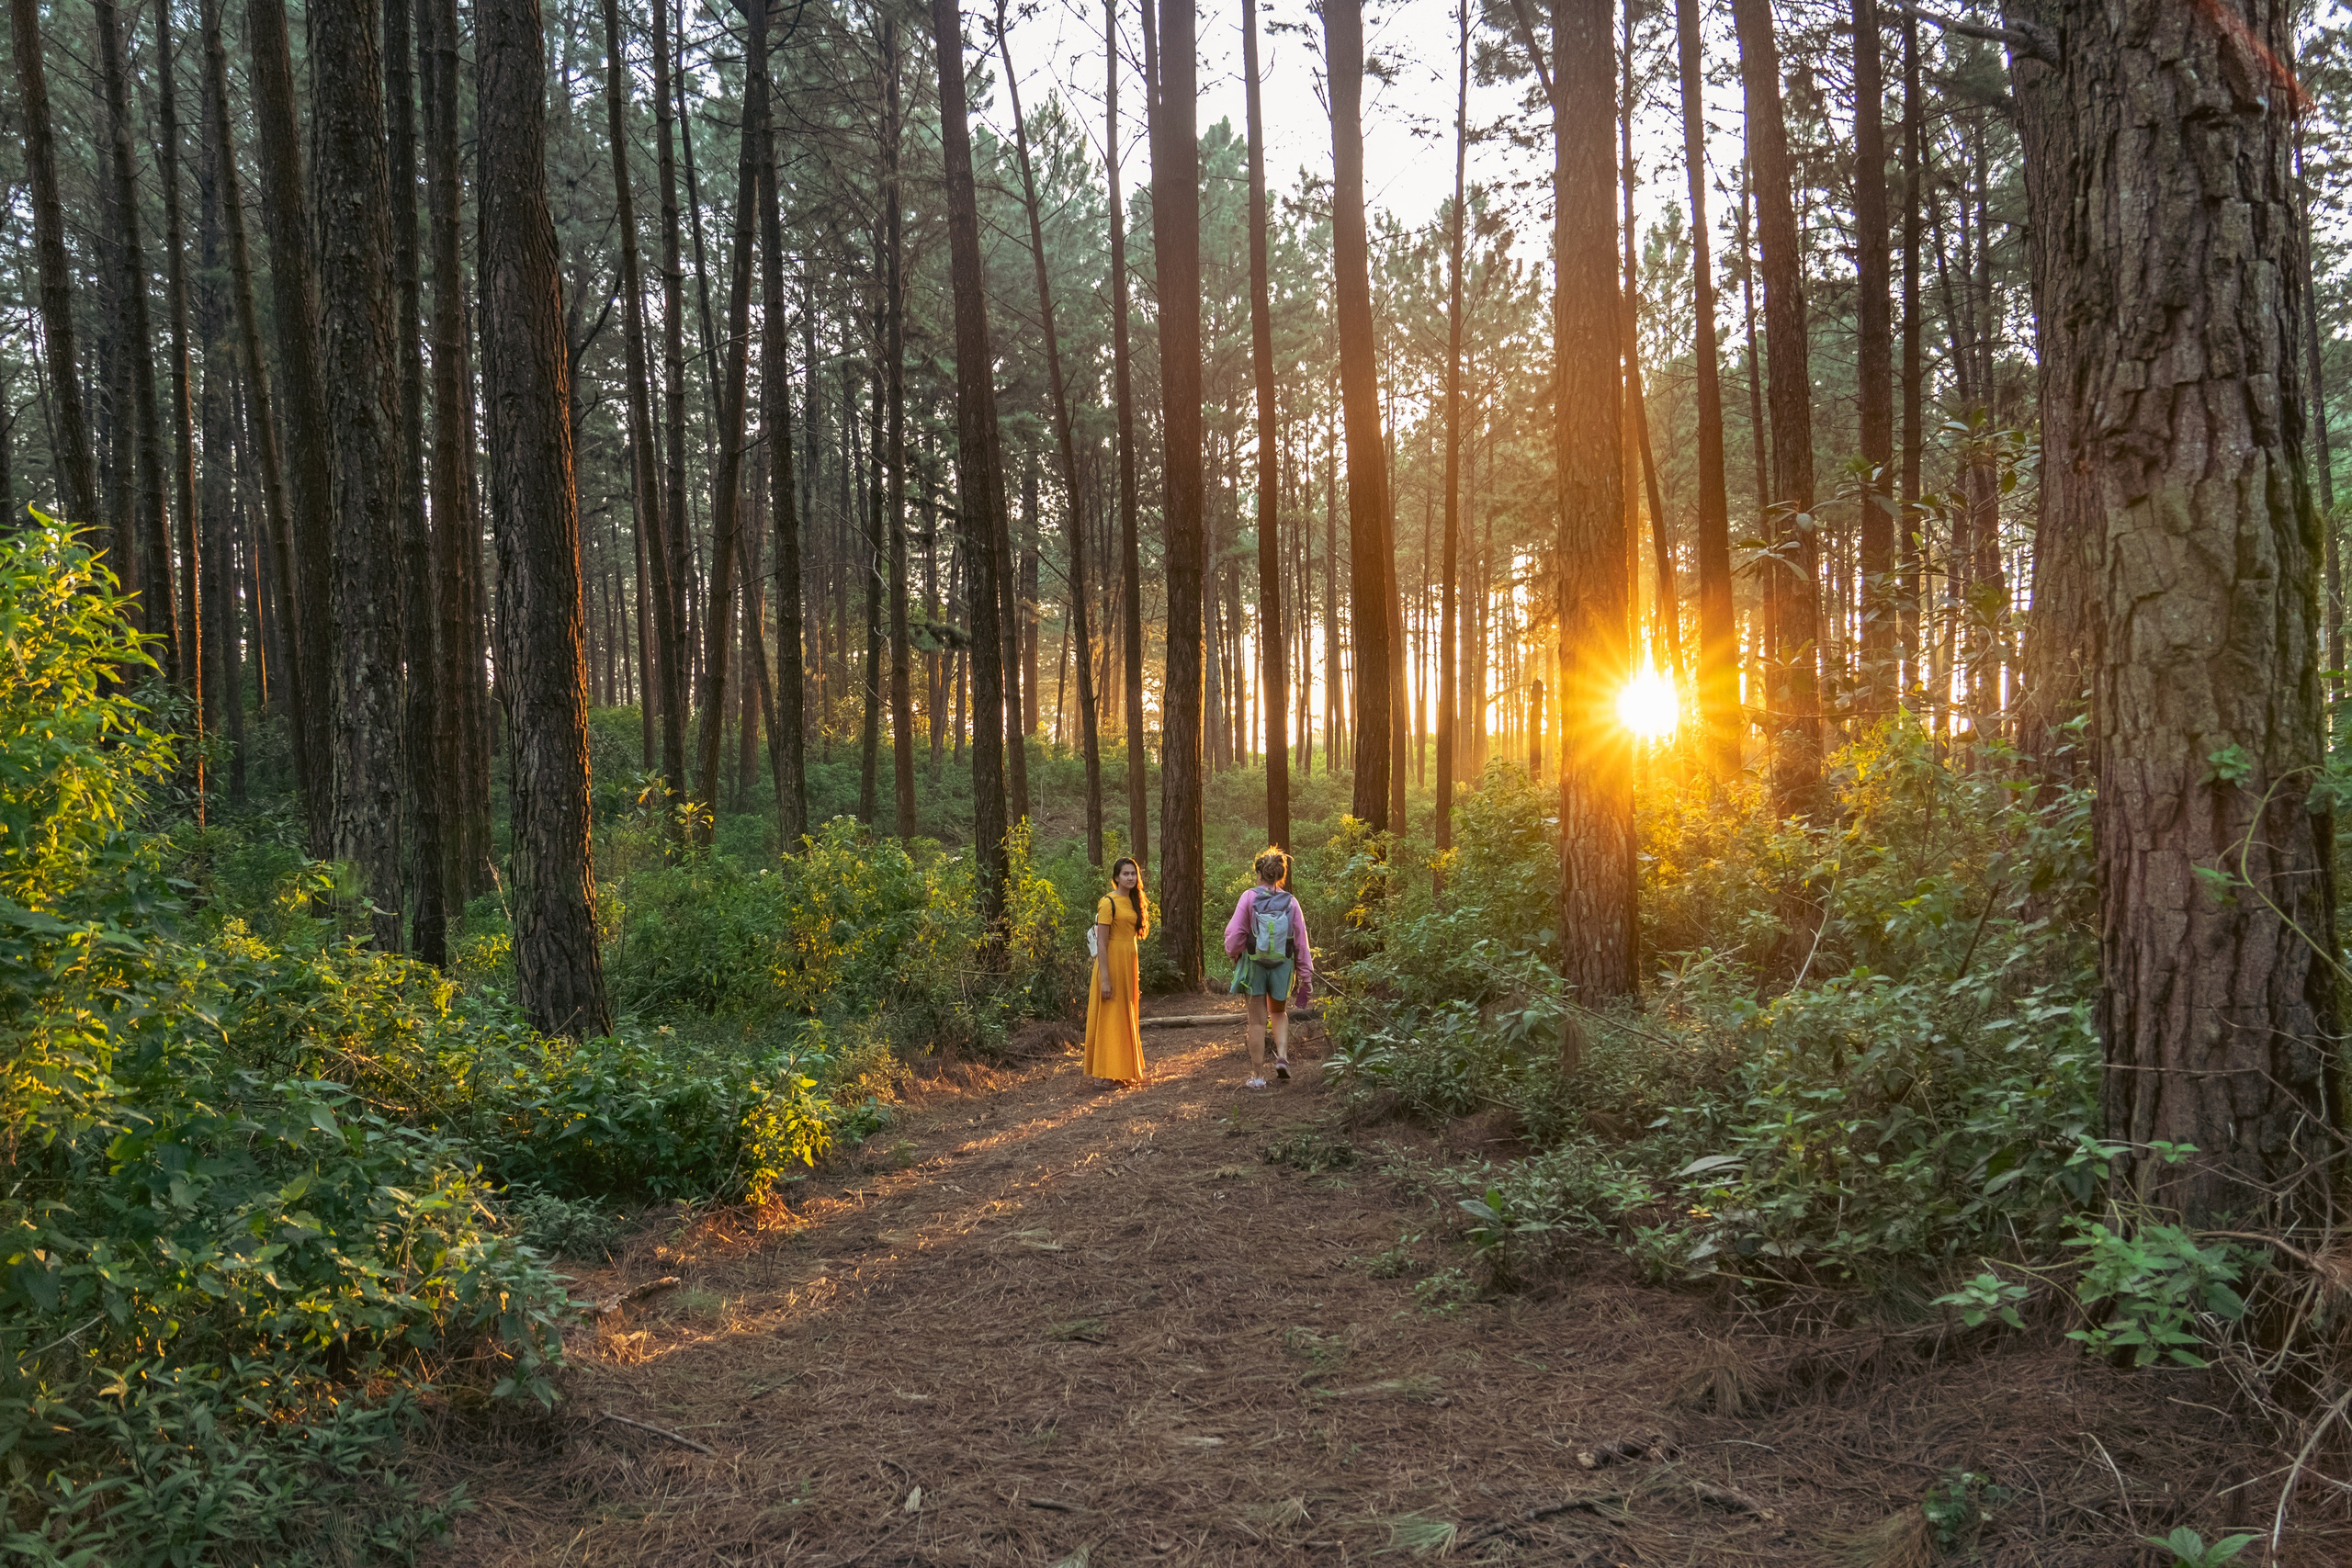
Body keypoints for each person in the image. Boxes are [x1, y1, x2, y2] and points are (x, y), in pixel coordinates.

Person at [1224, 847, 1314, 1089]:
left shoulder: (1249, 897)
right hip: (1282, 965)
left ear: (1259, 873)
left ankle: (1257, 1076)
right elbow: (1301, 941)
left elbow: (1234, 933)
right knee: (1279, 1013)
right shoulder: (1291, 902)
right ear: (1280, 875)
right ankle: (1282, 1057)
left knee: (1256, 1021)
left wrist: (1234, 953)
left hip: (1254, 964)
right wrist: (1306, 976)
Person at [1083, 856, 1149, 1086]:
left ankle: (1120, 1069)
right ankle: (1103, 1074)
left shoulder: (1134, 901)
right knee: (1109, 1018)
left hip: (1128, 965)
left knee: (1123, 1017)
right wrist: (1105, 980)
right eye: (1126, 874)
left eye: (1133, 873)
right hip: (1110, 964)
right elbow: (1101, 943)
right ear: (1116, 878)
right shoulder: (1107, 902)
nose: (1130, 877)